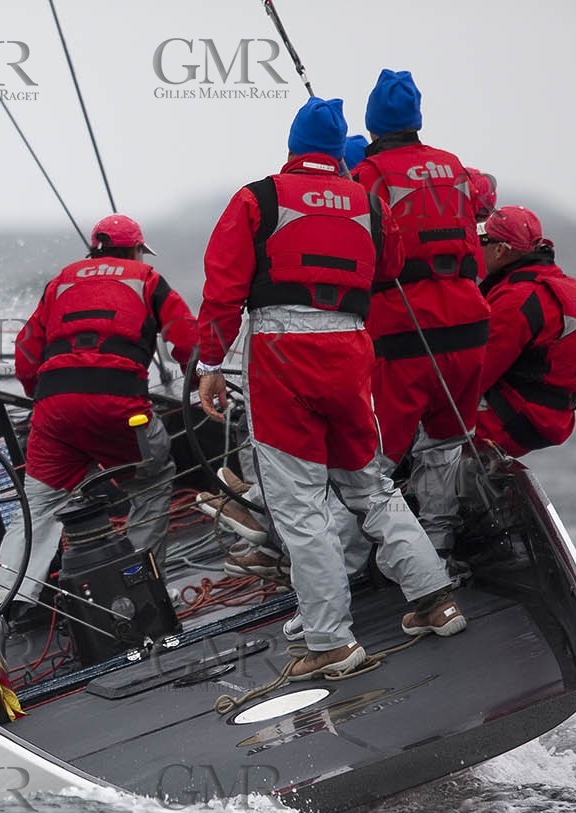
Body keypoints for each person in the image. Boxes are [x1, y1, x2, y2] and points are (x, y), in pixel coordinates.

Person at [197, 97, 465, 678]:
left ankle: (330, 642)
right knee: (373, 487)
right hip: (351, 347)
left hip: (281, 352)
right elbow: (391, 263)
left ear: (292, 145)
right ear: (336, 147)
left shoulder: (256, 198)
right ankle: (436, 600)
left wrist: (210, 364)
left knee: (300, 505)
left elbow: (222, 288)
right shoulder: (367, 201)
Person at [0, 214, 197, 626]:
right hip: (119, 410)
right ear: (135, 249)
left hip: (54, 410)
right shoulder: (147, 278)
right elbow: (187, 340)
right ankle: (137, 590)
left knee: (37, 509)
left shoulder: (62, 280)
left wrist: (44, 398)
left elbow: (27, 352)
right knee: (152, 480)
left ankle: (1, 609)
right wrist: (203, 377)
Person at [352, 70, 490, 555]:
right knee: (446, 440)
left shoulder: (369, 175)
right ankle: (439, 543)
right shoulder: (453, 166)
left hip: (404, 327)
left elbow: (359, 249)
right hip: (470, 322)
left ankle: (358, 555)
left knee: (377, 455)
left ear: (372, 123)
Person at [474, 205, 576, 455]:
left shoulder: (518, 299)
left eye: (483, 240)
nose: (477, 247)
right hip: (553, 421)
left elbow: (475, 376)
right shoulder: (570, 288)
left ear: (500, 250)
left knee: (425, 413)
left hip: (513, 421)